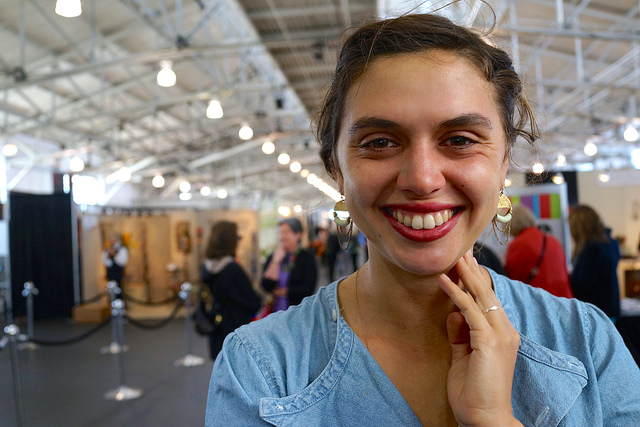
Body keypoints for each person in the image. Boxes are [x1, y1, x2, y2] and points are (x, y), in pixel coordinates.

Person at [206, 13, 640, 426]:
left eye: (459, 139)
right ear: (336, 170)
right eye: (379, 142)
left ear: (504, 162)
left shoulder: (588, 344)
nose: (422, 179)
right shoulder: (260, 369)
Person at [200, 221, 262, 360]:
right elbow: (253, 302)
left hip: (217, 324)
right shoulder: (231, 269)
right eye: (236, 237)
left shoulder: (207, 267)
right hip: (235, 329)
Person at [504, 204, 573, 298]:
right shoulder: (553, 240)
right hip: (564, 299)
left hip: (539, 301)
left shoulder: (518, 245)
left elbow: (513, 281)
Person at [569, 205, 621, 320]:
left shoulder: (593, 248)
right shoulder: (609, 242)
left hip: (597, 313)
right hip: (608, 309)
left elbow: (581, 284)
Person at [261, 217, 317, 311]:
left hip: (297, 311)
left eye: (286, 232)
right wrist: (276, 261)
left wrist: (283, 292)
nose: (282, 237)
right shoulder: (274, 256)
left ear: (298, 235)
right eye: (281, 232)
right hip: (275, 312)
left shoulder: (307, 258)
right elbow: (266, 286)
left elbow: (308, 288)